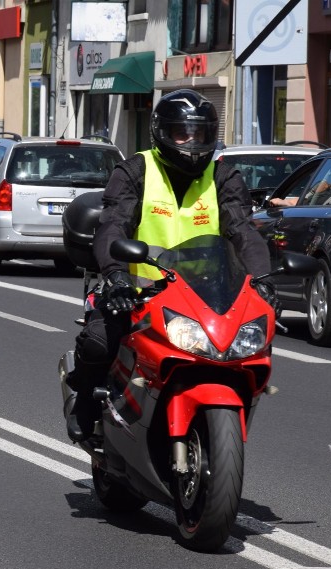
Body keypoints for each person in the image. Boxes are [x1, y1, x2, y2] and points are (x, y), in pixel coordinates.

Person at [63, 89, 274, 443]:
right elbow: (113, 223)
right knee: (99, 340)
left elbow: (243, 231)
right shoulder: (135, 171)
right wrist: (115, 277)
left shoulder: (224, 177)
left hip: (208, 298)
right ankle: (85, 404)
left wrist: (263, 282)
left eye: (201, 134)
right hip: (139, 292)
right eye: (182, 133)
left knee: (252, 351)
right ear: (161, 133)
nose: (192, 143)